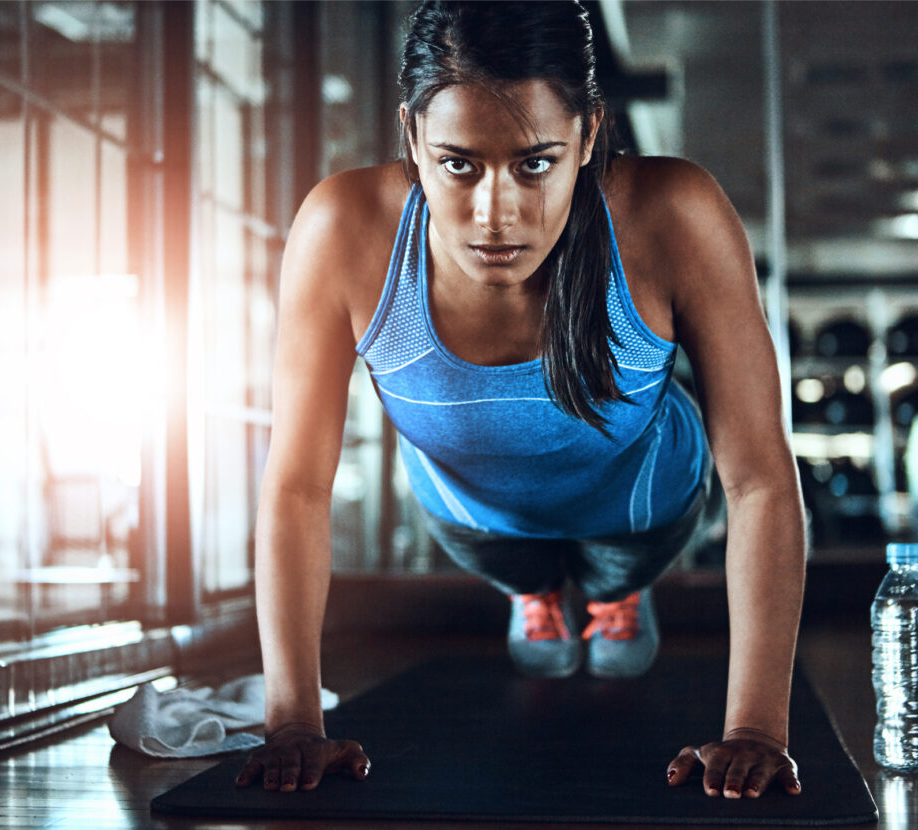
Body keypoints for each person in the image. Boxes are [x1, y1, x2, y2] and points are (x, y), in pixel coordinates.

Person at [235, 0, 805, 801]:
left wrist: (755, 729)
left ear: (590, 136)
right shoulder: (343, 228)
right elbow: (297, 487)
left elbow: (759, 480)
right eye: (458, 164)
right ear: (411, 140)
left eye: (535, 163)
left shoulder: (673, 212)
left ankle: (613, 593)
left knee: (613, 566)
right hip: (474, 517)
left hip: (641, 512)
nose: (494, 215)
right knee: (519, 559)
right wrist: (293, 720)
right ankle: (538, 592)